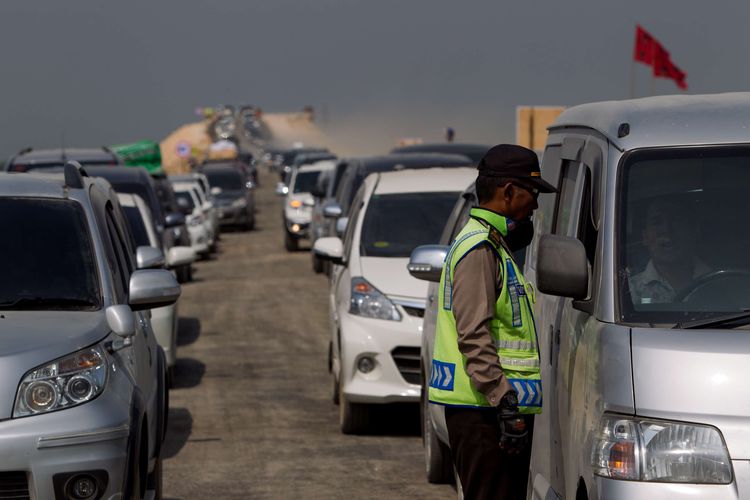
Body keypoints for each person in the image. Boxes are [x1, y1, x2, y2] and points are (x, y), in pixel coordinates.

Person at [429, 144, 556, 499]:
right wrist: (504, 402)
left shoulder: (494, 246)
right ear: (509, 191)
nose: (535, 204)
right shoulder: (479, 249)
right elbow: (473, 334)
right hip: (484, 413)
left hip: (489, 410)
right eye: (532, 194)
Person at [629, 198, 709, 304]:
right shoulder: (628, 291)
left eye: (676, 220)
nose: (666, 229)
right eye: (657, 222)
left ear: (694, 231)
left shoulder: (723, 283)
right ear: (645, 237)